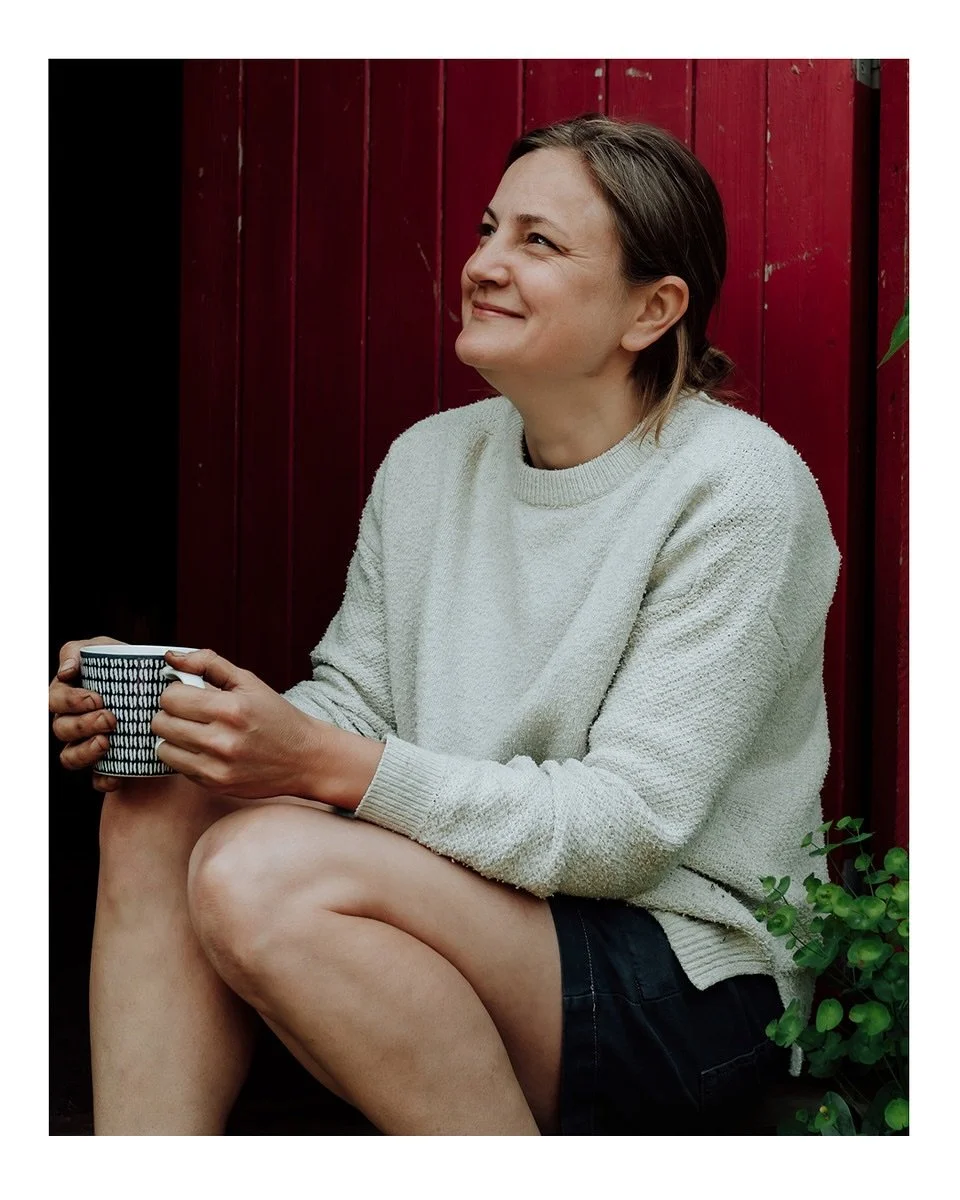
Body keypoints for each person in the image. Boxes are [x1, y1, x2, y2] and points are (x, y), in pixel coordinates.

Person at [49, 114, 840, 1136]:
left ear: (652, 309)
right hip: (474, 898)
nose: (483, 265)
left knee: (260, 872)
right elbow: (357, 707)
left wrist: (320, 762)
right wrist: (194, 720)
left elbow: (627, 832)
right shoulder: (431, 460)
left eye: (538, 242)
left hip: (685, 973)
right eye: (487, 229)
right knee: (157, 805)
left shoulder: (737, 488)